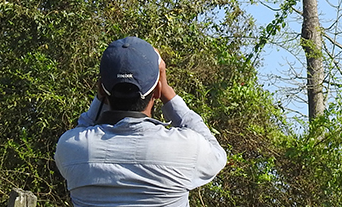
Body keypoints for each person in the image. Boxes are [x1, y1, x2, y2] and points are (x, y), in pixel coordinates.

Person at [55, 36, 227, 207]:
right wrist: (168, 93)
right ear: (158, 91)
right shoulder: (185, 147)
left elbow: (82, 129)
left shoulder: (71, 147)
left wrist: (100, 99)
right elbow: (217, 154)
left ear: (101, 90)